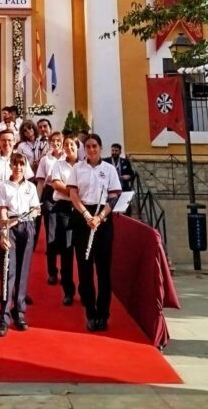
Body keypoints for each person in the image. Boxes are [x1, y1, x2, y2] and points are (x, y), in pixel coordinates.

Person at [67, 133, 121, 331]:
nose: (91, 150)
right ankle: (90, 313)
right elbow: (73, 193)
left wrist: (100, 217)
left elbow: (114, 195)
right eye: (88, 146)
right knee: (85, 269)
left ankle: (103, 315)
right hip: (83, 218)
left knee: (104, 271)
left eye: (94, 146)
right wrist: (86, 215)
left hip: (103, 219)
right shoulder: (77, 168)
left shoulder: (109, 169)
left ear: (100, 148)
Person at [0, 128, 35, 285]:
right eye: (3, 140)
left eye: (10, 140)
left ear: (15, 141)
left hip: (18, 206)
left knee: (21, 247)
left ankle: (19, 288)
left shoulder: (20, 158)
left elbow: (29, 181)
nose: (7, 143)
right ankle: (5, 285)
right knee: (2, 243)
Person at [0, 151, 41, 336]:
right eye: (15, 164)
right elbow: (2, 210)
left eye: (21, 164)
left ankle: (19, 312)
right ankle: (4, 316)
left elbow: (36, 209)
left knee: (23, 270)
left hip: (27, 228)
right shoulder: (4, 187)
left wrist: (32, 214)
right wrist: (4, 232)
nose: (18, 168)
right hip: (11, 229)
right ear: (11, 166)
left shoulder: (30, 187)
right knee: (9, 271)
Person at [45, 131, 79, 303]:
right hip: (64, 208)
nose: (69, 147)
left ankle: (85, 289)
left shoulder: (84, 165)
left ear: (77, 145)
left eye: (71, 144)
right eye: (66, 145)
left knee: (82, 253)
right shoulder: (59, 164)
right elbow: (56, 184)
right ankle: (68, 289)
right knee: (66, 251)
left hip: (82, 209)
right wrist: (73, 193)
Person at [34, 130, 65, 284]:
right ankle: (52, 272)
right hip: (49, 195)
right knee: (51, 236)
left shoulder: (69, 158)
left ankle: (65, 272)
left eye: (59, 141)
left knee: (65, 236)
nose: (56, 143)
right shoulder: (46, 160)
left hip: (65, 196)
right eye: (53, 141)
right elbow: (40, 182)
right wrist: (36, 202)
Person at [105, 143, 136, 213]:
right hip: (110, 190)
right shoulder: (106, 161)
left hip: (123, 189)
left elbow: (132, 174)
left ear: (120, 152)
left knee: (126, 210)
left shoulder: (125, 161)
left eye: (116, 151)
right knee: (111, 210)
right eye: (112, 150)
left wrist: (128, 176)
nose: (114, 152)